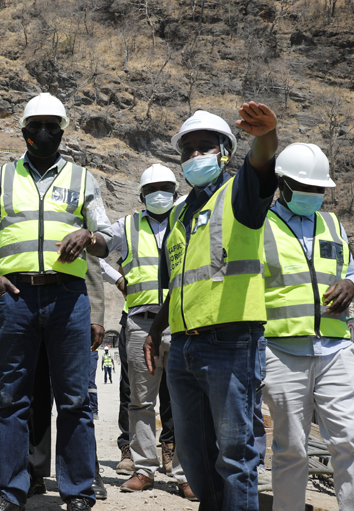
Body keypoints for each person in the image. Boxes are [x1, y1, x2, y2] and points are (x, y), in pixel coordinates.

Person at [0, 93, 111, 511]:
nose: (44, 132)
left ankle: (78, 491)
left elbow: (107, 238)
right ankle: (12, 489)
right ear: (24, 131)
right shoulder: (2, 178)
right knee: (12, 397)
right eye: (36, 126)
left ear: (62, 132)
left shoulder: (82, 179)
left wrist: (89, 235)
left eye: (52, 126)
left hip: (68, 298)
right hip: (17, 297)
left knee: (74, 398)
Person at [147, 104, 279, 510]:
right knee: (193, 453)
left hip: (232, 342)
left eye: (204, 147)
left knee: (236, 455)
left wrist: (265, 136)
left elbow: (261, 164)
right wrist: (156, 329)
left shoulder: (239, 193)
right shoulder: (179, 213)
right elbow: (179, 285)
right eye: (187, 150)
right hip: (183, 346)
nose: (194, 156)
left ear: (225, 152)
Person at [260, 143, 354, 510]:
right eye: (305, 187)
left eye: (319, 189)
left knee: (349, 439)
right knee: (292, 447)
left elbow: (349, 268)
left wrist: (351, 283)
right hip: (282, 351)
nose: (313, 194)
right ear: (281, 184)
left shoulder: (332, 224)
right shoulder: (260, 224)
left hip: (335, 348)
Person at [103, 164, 194, 500]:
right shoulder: (126, 225)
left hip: (182, 322)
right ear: (141, 195)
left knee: (185, 401)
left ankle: (185, 473)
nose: (159, 194)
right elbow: (96, 248)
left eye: (165, 188)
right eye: (152, 189)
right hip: (141, 323)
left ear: (175, 192)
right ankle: (144, 468)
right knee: (140, 400)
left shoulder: (187, 221)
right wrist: (116, 278)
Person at [27, 254, 108, 502]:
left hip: (72, 308)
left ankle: (85, 472)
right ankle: (34, 471)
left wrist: (96, 316)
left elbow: (91, 265)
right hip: (27, 307)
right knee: (34, 395)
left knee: (76, 397)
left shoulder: (79, 227)